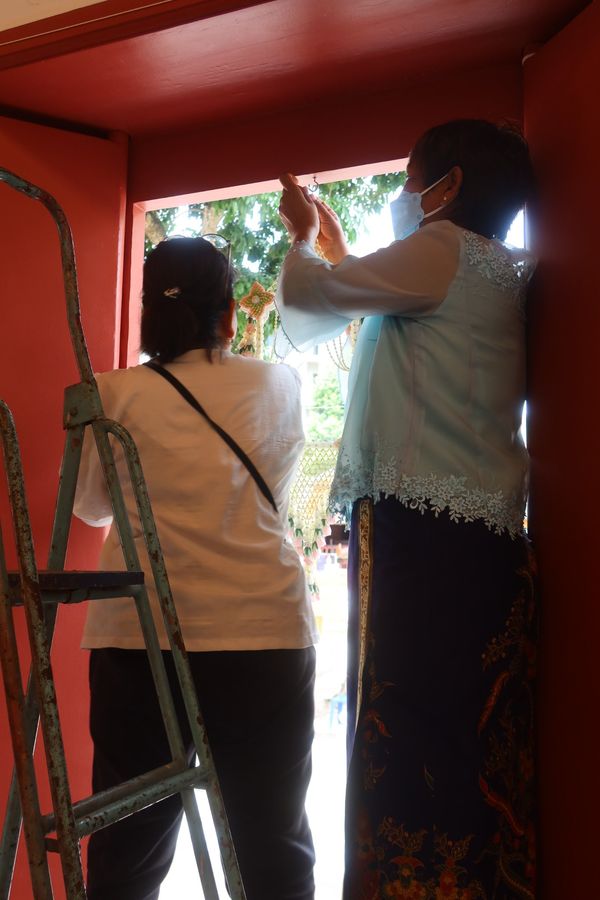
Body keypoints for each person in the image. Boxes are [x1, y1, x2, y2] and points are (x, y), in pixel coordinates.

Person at [276, 119, 538, 899]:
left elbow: (311, 300)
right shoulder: (486, 265)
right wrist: (339, 255)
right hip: (480, 541)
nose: (404, 193)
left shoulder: (440, 250)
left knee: (401, 728)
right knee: (462, 736)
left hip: (417, 535)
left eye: (412, 179)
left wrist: (300, 239)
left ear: (448, 186)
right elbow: (380, 297)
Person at [74, 236, 318, 900]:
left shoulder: (111, 394)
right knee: (273, 846)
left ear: (149, 313)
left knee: (128, 849)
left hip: (139, 634)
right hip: (262, 631)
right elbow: (274, 491)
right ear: (229, 313)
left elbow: (90, 507)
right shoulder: (279, 384)